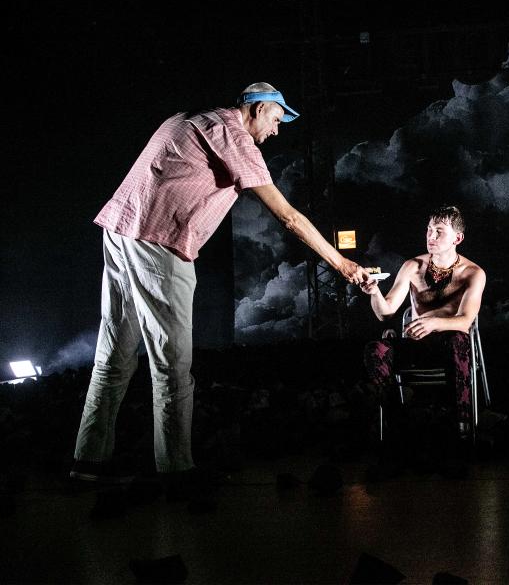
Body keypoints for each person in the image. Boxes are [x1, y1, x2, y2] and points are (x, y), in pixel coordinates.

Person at [70, 82, 370, 485]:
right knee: (172, 365)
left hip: (119, 231)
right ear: (258, 108)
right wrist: (342, 265)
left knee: (113, 356)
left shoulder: (186, 118)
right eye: (277, 119)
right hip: (159, 244)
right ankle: (176, 471)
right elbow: (288, 217)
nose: (277, 131)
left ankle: (88, 463)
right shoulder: (236, 137)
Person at [359, 206, 486, 440]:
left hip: (448, 348)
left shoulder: (473, 273)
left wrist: (434, 323)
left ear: (457, 238)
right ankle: (395, 424)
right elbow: (385, 313)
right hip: (415, 345)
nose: (431, 236)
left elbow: (466, 321)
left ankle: (462, 429)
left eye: (439, 231)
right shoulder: (412, 266)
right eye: (429, 230)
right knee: (375, 350)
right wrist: (374, 292)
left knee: (459, 341)